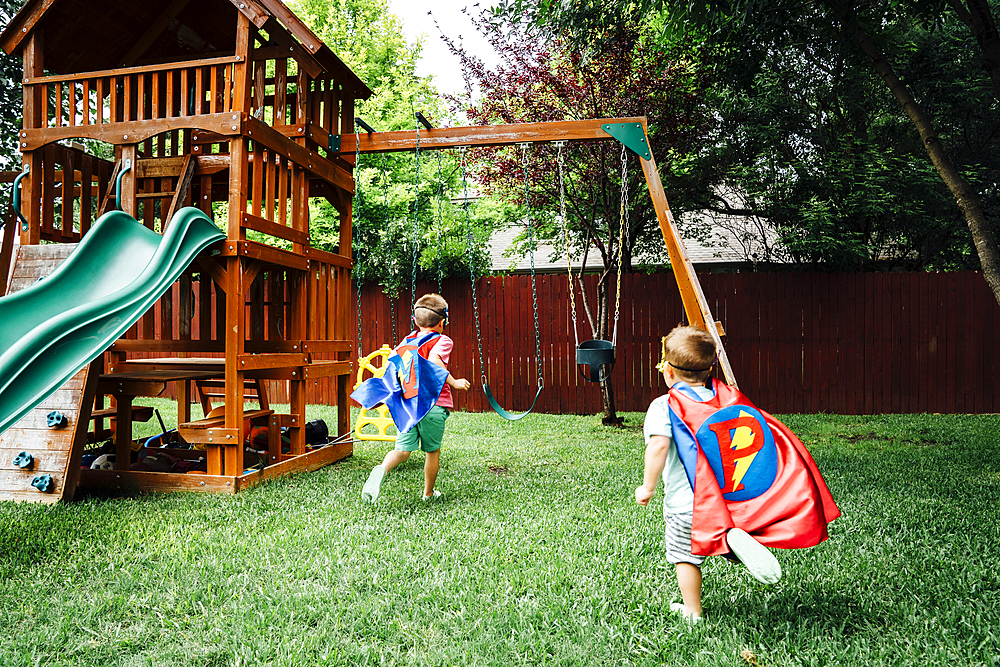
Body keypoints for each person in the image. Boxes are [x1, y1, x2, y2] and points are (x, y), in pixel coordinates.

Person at [636, 325, 839, 623]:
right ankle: (730, 541)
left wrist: (647, 487)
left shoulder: (664, 406)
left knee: (685, 557)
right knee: (714, 531)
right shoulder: (727, 398)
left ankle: (693, 611)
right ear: (709, 369)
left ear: (667, 371)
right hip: (726, 503)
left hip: (687, 505)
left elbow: (658, 447)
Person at [361, 293, 470, 504]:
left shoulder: (406, 341)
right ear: (442, 322)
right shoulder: (442, 340)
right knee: (432, 451)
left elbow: (392, 366)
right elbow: (434, 359)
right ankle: (428, 494)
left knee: (401, 451)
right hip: (432, 406)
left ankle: (382, 469)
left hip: (408, 406)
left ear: (415, 321)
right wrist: (454, 381)